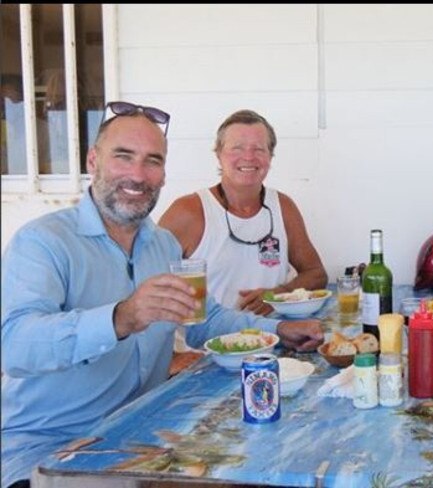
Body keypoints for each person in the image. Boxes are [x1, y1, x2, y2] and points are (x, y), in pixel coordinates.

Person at [0, 102, 324, 488]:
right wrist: (121, 317)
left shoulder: (164, 246)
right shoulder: (44, 241)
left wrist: (276, 330)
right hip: (55, 451)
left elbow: (207, 319)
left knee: (284, 459)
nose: (138, 175)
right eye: (124, 157)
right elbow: (14, 346)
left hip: (147, 433)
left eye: (152, 161)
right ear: (93, 161)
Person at [159, 109, 327, 317]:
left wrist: (279, 294)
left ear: (270, 156)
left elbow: (316, 274)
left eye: (259, 149)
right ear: (218, 155)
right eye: (237, 148)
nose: (248, 157)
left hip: (273, 340)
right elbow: (150, 285)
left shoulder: (283, 207)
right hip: (206, 345)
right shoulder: (189, 211)